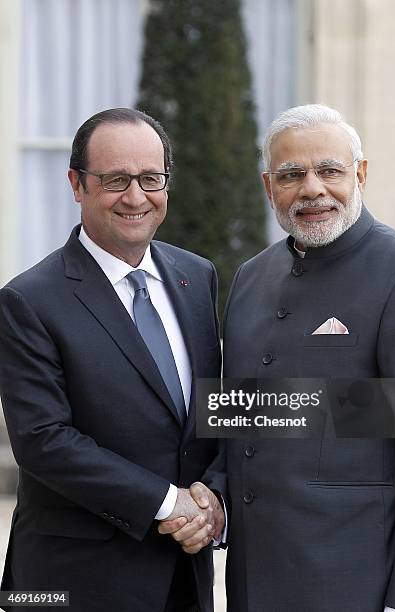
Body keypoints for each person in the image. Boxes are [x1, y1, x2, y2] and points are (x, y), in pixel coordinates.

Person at [165, 104, 395, 611]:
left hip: (357, 587)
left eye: (330, 170)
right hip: (254, 583)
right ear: (268, 187)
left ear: (360, 174)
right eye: (292, 174)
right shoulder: (250, 277)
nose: (312, 188)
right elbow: (244, 415)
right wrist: (215, 496)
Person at [0, 108, 224, 612]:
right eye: (116, 179)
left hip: (184, 576)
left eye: (151, 178)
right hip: (72, 581)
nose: (136, 197)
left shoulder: (197, 276)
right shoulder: (29, 300)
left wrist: (214, 500)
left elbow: (212, 410)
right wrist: (170, 505)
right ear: (77, 185)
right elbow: (43, 441)